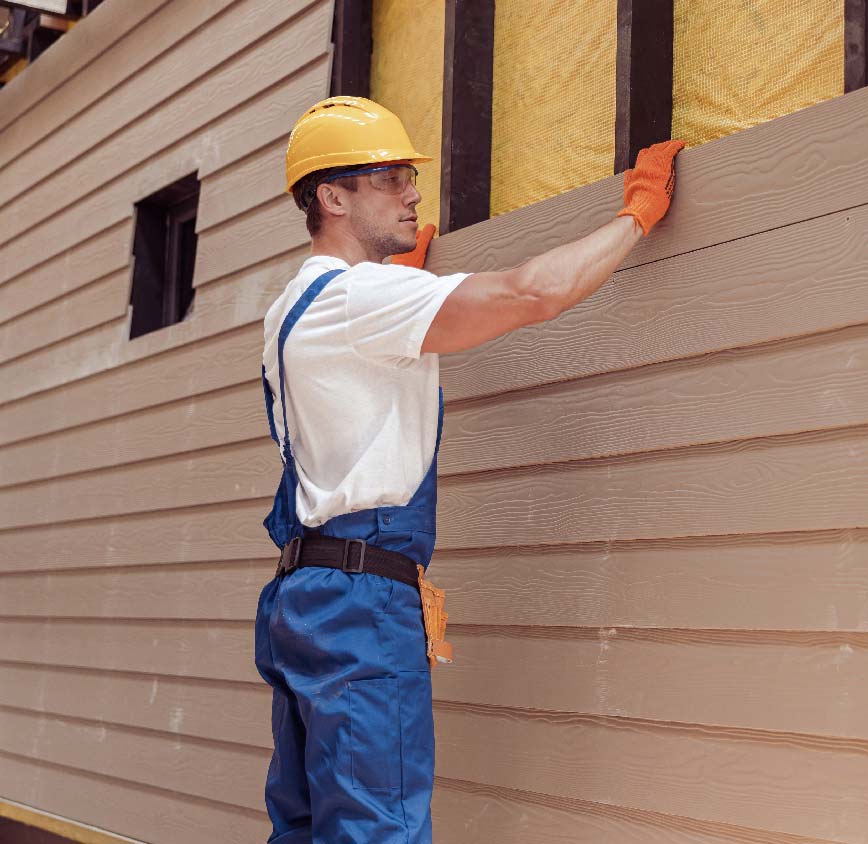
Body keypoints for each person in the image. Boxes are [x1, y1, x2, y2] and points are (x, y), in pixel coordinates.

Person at [253, 95, 683, 843]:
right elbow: (532, 293)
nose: (413, 192)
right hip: (360, 599)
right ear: (332, 197)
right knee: (376, 830)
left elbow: (362, 375)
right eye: (389, 177)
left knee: (308, 827)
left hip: (305, 594)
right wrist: (636, 216)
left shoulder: (296, 304)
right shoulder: (361, 298)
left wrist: (407, 282)